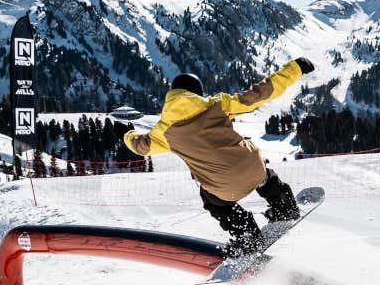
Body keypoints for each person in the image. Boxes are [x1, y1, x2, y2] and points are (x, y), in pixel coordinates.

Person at [123, 58, 315, 256]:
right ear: (196, 93)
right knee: (261, 172)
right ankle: (284, 206)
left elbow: (140, 147)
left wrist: (127, 134)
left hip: (223, 189)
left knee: (210, 199)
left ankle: (247, 236)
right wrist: (294, 69)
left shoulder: (164, 132)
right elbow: (260, 94)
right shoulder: (217, 105)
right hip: (254, 169)